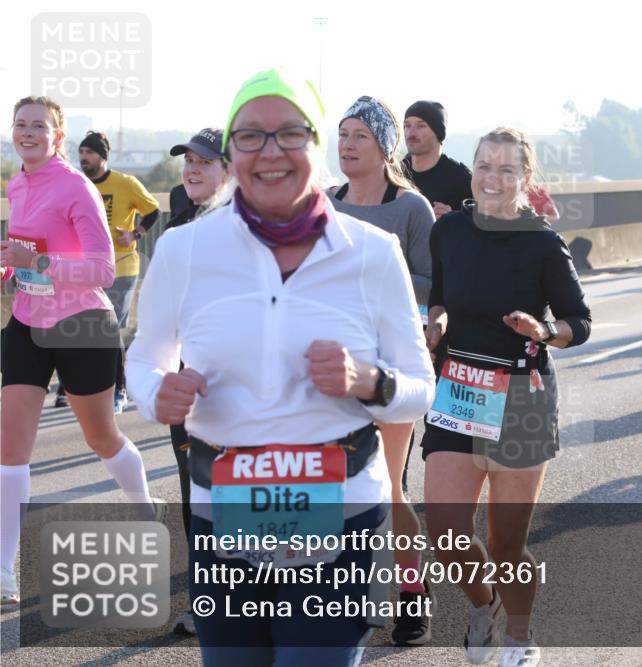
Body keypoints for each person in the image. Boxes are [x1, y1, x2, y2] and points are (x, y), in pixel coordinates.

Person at [126, 68, 435, 665]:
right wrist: (155, 393)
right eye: (250, 136)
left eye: (291, 133)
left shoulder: (372, 252)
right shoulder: (185, 249)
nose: (271, 152)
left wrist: (366, 381)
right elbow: (145, 357)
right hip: (224, 505)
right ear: (232, 150)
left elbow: (419, 387)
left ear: (317, 147)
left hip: (338, 506)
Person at [421, 127, 591, 667]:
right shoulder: (447, 230)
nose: (492, 179)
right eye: (484, 166)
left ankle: (519, 635)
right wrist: (436, 323)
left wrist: (543, 333)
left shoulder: (542, 242)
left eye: (506, 170)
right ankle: (486, 605)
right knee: (445, 533)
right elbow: (442, 297)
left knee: (505, 547)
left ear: (526, 178)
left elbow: (578, 321)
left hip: (521, 395)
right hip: (460, 391)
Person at [1, 96, 160, 606]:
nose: (27, 133)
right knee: (9, 449)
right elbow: (24, 259)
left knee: (101, 436)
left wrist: (40, 263)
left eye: (38, 126)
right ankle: (5, 570)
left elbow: (102, 270)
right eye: (20, 125)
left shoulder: (77, 187)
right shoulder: (18, 183)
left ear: (58, 135)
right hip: (27, 320)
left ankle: (142, 506)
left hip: (82, 325)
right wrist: (10, 269)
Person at [328, 95, 436, 647]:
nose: (346, 145)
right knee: (331, 485)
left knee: (386, 486)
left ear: (383, 146)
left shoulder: (409, 209)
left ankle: (411, 594)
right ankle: (338, 597)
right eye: (342, 135)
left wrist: (372, 286)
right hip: (328, 368)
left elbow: (429, 282)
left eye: (358, 137)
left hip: (390, 365)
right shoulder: (323, 203)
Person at [161, 127, 230, 636]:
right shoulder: (176, 230)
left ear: (230, 170)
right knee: (196, 495)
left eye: (204, 161)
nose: (191, 169)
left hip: (242, 388)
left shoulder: (252, 229)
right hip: (189, 386)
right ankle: (206, 600)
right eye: (187, 161)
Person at [77, 130, 161, 414]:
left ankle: (119, 389)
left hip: (121, 265)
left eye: (89, 152)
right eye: (81, 153)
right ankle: (84, 387)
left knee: (109, 328)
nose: (83, 158)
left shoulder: (125, 183)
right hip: (85, 268)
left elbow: (153, 210)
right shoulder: (77, 185)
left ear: (102, 156)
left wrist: (136, 233)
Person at [401, 101, 473, 218]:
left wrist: (454, 218)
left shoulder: (462, 179)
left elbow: (481, 227)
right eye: (407, 125)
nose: (411, 133)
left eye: (421, 126)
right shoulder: (394, 175)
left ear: (438, 132)